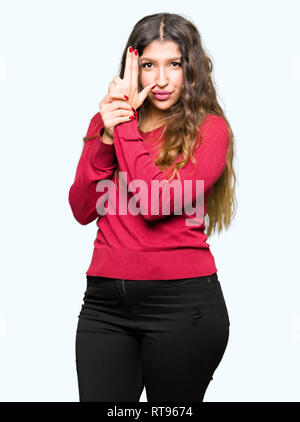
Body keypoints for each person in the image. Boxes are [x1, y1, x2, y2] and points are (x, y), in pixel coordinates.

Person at [68, 12, 237, 402]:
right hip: (105, 305)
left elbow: (156, 202)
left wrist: (123, 127)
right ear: (133, 70)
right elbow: (81, 208)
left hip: (181, 307)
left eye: (173, 64)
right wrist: (106, 136)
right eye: (148, 65)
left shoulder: (209, 130)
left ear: (190, 69)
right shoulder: (107, 121)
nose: (160, 80)